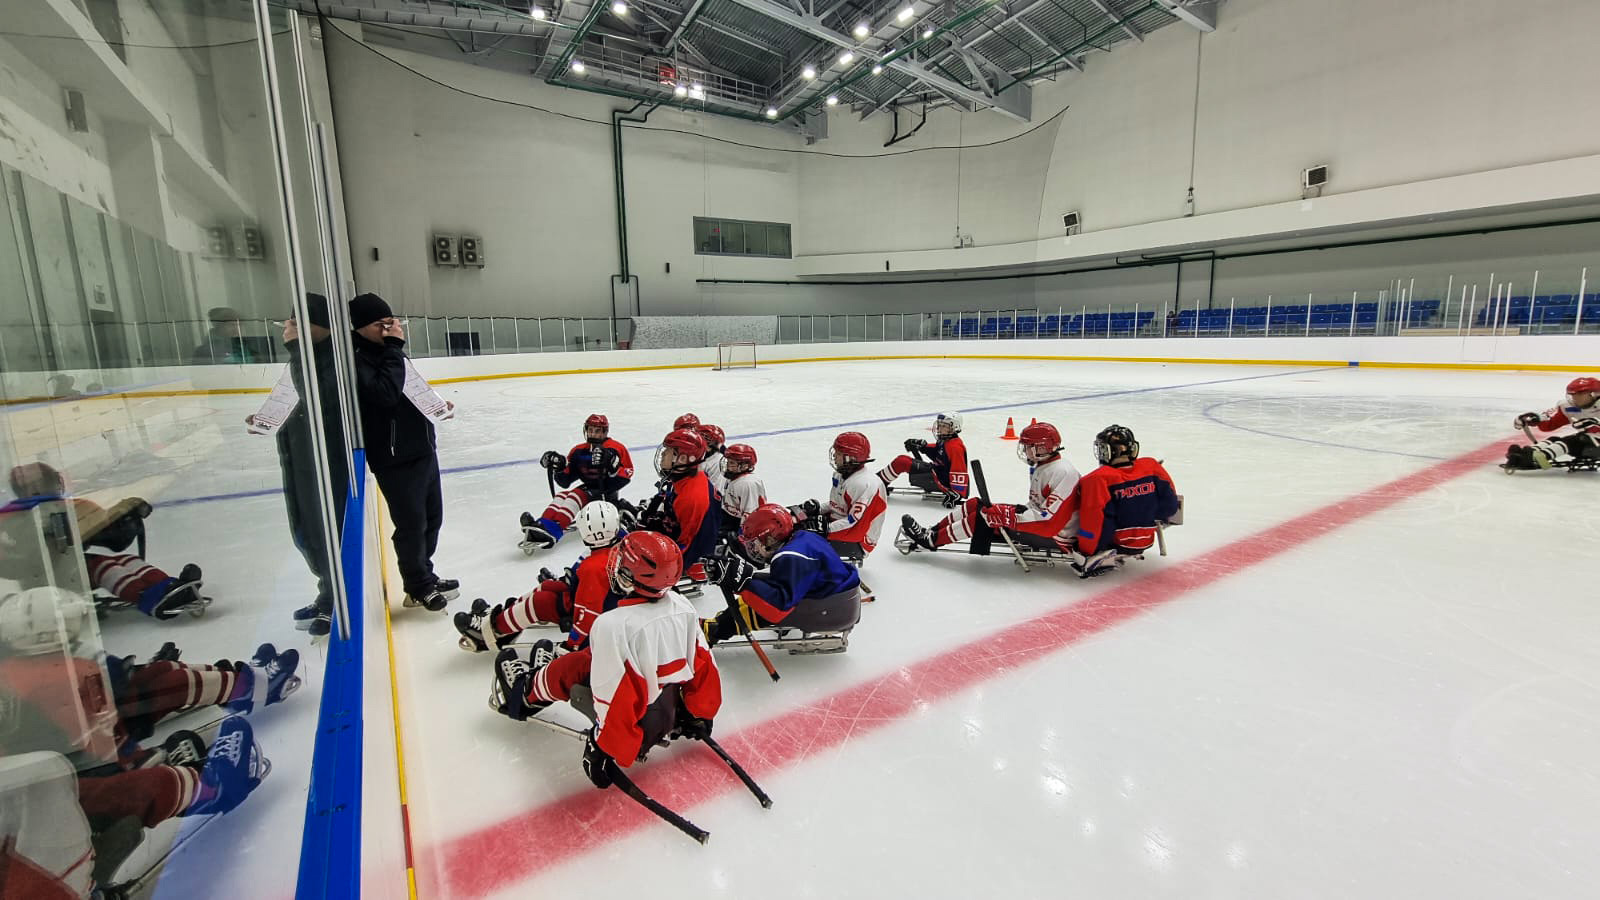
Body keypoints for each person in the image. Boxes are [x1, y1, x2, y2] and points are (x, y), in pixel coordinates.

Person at [490, 531, 721, 787]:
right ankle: (542, 676)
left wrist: (605, 748)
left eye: (622, 562)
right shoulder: (682, 606)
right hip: (670, 712)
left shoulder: (612, 626)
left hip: (638, 731)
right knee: (587, 660)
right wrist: (700, 713)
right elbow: (704, 665)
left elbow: (615, 692)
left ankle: (523, 692)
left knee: (574, 666)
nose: (615, 564)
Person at [349, 292, 457, 611]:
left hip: (421, 448)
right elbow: (384, 394)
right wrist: (394, 348)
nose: (388, 330)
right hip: (394, 457)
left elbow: (405, 390)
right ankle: (418, 586)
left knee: (432, 519)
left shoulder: (389, 354)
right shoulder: (358, 360)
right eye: (380, 325)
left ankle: (425, 575)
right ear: (359, 327)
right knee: (411, 524)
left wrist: (434, 405)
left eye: (391, 323)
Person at [3, 463, 207, 620]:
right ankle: (150, 597)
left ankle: (170, 587)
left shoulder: (66, 506)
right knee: (105, 567)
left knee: (127, 561)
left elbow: (113, 540)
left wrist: (125, 516)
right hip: (44, 578)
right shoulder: (16, 516)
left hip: (67, 566)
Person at [274, 294, 350, 637]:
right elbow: (300, 401)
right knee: (311, 533)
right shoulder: (309, 357)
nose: (287, 328)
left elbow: (321, 401)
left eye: (296, 322)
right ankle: (328, 592)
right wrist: (273, 419)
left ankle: (338, 598)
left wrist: (297, 352)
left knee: (328, 533)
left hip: (327, 464)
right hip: (305, 460)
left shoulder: (334, 359)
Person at [459, 502, 625, 653]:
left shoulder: (593, 569)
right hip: (605, 601)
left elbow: (588, 613)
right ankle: (502, 618)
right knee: (548, 586)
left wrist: (573, 644)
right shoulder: (622, 543)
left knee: (540, 602)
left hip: (598, 609)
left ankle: (490, 633)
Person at [899, 420, 1081, 555]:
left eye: (1028, 447)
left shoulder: (1063, 473)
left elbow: (1049, 523)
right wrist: (1010, 513)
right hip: (1042, 524)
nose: (1024, 451)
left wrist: (1008, 516)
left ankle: (931, 541)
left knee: (982, 518)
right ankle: (932, 530)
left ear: (1041, 448)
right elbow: (1039, 509)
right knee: (975, 504)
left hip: (1056, 536)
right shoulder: (1044, 466)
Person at [700, 504, 862, 647]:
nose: (753, 549)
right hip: (838, 600)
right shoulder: (801, 537)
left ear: (771, 539)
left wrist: (743, 583)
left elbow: (777, 608)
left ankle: (715, 630)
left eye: (754, 543)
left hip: (832, 611)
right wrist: (746, 581)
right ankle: (717, 624)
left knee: (762, 600)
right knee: (759, 586)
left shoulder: (791, 556)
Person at [1067, 425, 1179, 578]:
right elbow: (1170, 506)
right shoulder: (1151, 466)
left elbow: (1095, 521)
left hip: (1119, 544)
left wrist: (1087, 551)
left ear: (1108, 451)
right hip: (1147, 539)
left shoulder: (1097, 479)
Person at [520, 414, 634, 551]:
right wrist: (559, 467)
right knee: (562, 495)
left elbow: (627, 473)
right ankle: (542, 524)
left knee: (575, 496)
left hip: (607, 494)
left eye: (597, 431)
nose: (593, 434)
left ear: (605, 432)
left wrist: (613, 467)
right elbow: (565, 481)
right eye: (590, 430)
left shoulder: (616, 448)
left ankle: (554, 530)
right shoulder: (578, 451)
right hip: (589, 489)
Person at [635, 428, 721, 583]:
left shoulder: (691, 498)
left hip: (688, 556)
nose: (662, 455)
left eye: (667, 451)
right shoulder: (686, 479)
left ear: (682, 459)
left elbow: (684, 546)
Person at [790, 432, 887, 561]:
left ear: (851, 457)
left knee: (800, 536)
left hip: (859, 541)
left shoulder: (864, 484)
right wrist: (817, 509)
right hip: (840, 525)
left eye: (839, 453)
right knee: (793, 520)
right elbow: (837, 505)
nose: (834, 456)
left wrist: (825, 529)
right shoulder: (841, 474)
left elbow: (855, 526)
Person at [1507, 376, 1600, 469]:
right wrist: (1535, 419)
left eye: (1580, 394)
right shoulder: (1569, 407)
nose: (1575, 398)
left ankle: (1536, 458)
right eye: (1572, 395)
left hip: (1595, 445)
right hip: (1588, 443)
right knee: (1555, 440)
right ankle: (1527, 453)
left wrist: (1595, 423)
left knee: (1572, 442)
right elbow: (1549, 425)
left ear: (1594, 394)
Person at [877, 412, 968, 506]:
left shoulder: (955, 447)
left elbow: (959, 472)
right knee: (903, 460)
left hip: (939, 480)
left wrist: (956, 494)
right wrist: (922, 446)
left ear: (954, 428)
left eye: (944, 426)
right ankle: (879, 482)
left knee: (901, 462)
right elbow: (938, 452)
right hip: (936, 473)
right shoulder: (946, 441)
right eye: (939, 425)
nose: (939, 428)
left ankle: (876, 484)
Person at [717, 443, 765, 535]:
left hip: (736, 525)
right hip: (728, 518)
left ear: (745, 466)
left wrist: (740, 536)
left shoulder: (748, 484)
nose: (727, 466)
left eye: (732, 463)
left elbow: (749, 515)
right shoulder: (733, 477)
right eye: (728, 462)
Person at [189, 307, 258, 365]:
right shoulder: (204, 352)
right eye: (231, 325)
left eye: (239, 325)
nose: (236, 329)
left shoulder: (249, 348)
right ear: (219, 326)